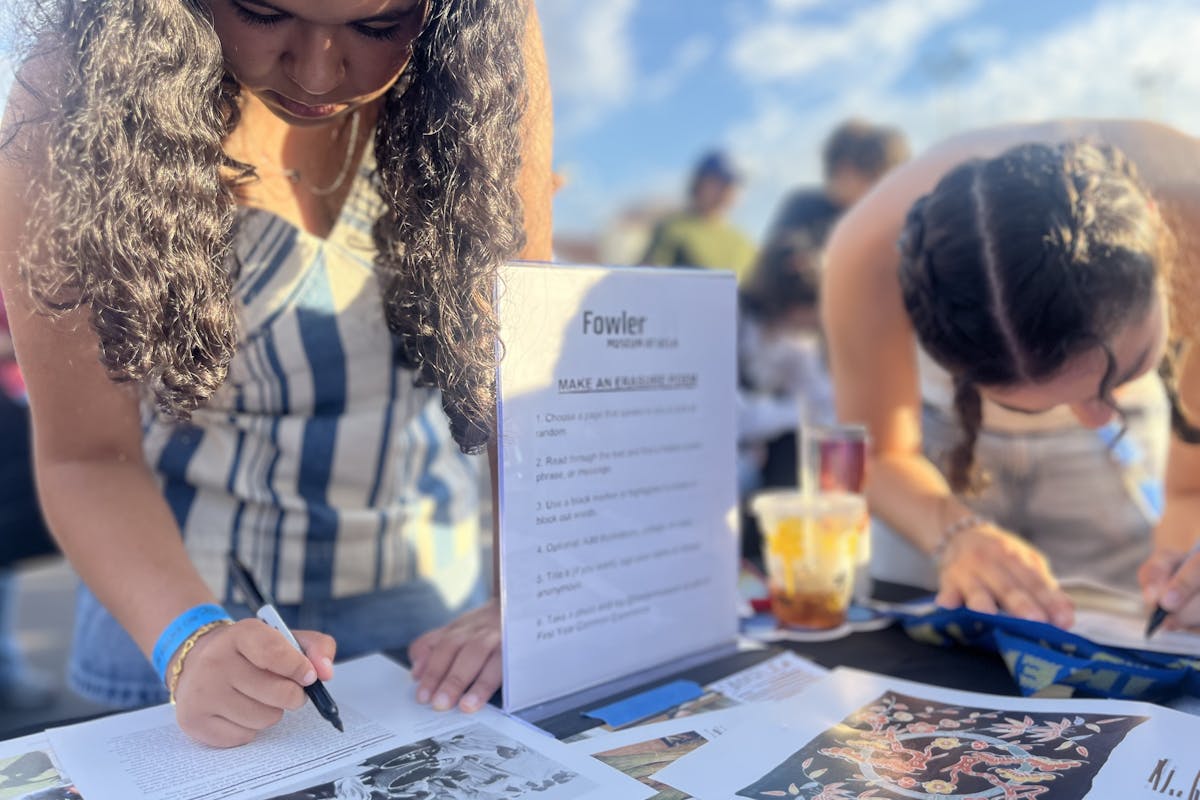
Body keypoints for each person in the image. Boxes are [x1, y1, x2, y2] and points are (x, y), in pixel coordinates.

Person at [0, 0, 552, 748]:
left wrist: (528, 592)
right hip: (171, 609)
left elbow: (525, 381)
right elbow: (86, 454)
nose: (320, 71)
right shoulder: (75, 89)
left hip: (429, 627)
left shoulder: (482, 58)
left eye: (378, 27)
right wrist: (189, 641)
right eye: (263, 12)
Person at [822, 120, 1200, 630]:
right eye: (1031, 402)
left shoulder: (1193, 208)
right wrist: (952, 532)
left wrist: (1182, 576)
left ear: (1159, 234)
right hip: (941, 441)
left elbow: (1188, 491)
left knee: (1132, 629)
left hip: (1127, 444)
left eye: (1127, 369)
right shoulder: (866, 250)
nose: (1096, 419)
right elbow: (877, 451)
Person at [760, 119, 909, 265]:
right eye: (873, 177)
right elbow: (782, 261)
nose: (880, 192)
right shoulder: (803, 206)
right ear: (843, 168)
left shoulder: (884, 222)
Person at [640, 150, 756, 282]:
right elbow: (647, 282)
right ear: (699, 182)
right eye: (718, 181)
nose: (725, 190)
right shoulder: (673, 229)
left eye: (732, 184)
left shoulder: (744, 242)